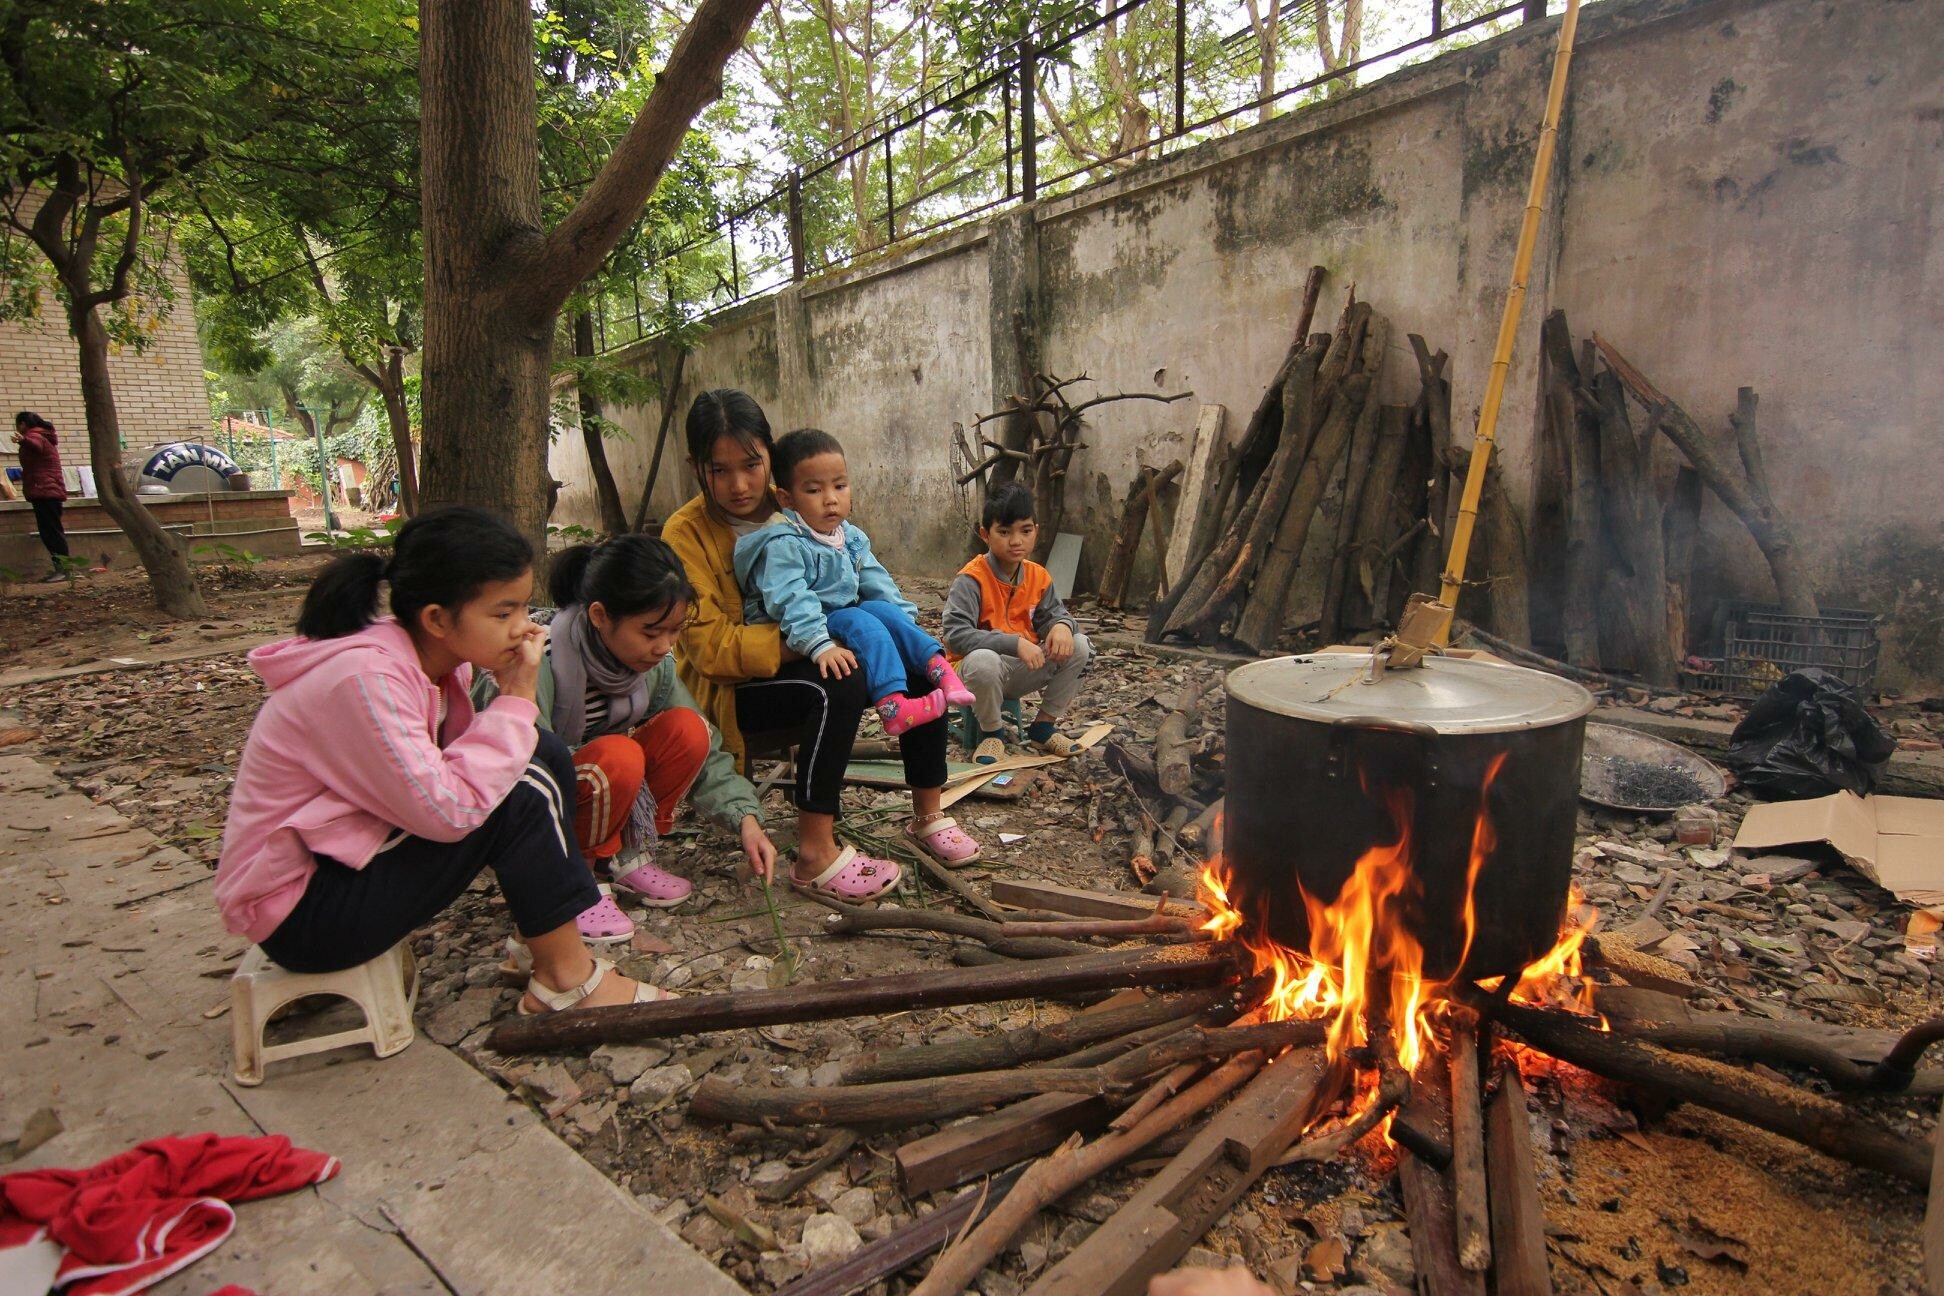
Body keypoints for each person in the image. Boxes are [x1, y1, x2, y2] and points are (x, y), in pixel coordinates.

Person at [215, 506, 672, 1013]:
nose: (523, 629)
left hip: (340, 866)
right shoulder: (367, 680)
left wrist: (513, 714)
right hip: (303, 915)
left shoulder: (431, 664)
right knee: (519, 793)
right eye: (503, 614)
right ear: (436, 619)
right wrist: (518, 697)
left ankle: (541, 938)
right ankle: (567, 979)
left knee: (537, 751)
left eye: (524, 608)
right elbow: (451, 809)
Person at [663, 390, 984, 901]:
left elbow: (864, 575)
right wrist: (818, 640)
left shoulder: (804, 493)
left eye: (751, 464)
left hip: (830, 641)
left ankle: (928, 815)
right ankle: (815, 852)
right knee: (840, 678)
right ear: (696, 468)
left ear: (770, 453)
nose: (740, 484)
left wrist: (904, 634)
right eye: (718, 470)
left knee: (919, 663)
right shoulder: (686, 534)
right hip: (740, 685)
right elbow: (711, 651)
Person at [473, 536, 778, 945]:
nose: (664, 647)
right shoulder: (537, 662)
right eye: (651, 631)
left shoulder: (653, 668)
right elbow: (525, 767)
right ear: (600, 616)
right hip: (549, 798)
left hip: (599, 781)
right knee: (618, 755)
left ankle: (626, 855)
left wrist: (746, 818)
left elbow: (706, 751)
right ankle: (575, 879)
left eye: (673, 632)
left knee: (688, 729)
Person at [733, 428, 976, 737]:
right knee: (862, 619)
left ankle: (939, 668)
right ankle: (893, 707)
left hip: (839, 617)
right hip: (796, 630)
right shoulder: (784, 543)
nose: (831, 499)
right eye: (814, 491)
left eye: (840, 486)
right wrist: (819, 644)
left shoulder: (850, 537)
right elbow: (790, 599)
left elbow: (877, 581)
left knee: (884, 611)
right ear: (787, 499)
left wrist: (905, 626)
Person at [941, 482, 1093, 764]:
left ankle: (1043, 727)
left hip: (1019, 669)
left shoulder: (1038, 576)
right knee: (984, 660)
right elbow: (955, 635)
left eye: (1025, 531)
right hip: (973, 673)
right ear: (985, 534)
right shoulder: (971, 579)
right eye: (1004, 532)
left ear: (1036, 529)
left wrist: (1061, 626)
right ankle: (992, 734)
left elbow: (1054, 615)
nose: (1016, 541)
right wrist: (1014, 643)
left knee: (1081, 646)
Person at [13, 412, 69, 579]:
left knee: (51, 532)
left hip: (45, 490)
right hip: (45, 490)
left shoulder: (35, 435)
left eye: (18, 425)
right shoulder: (42, 435)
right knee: (50, 531)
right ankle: (62, 569)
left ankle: (63, 570)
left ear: (23, 424)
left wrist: (23, 440)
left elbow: (35, 445)